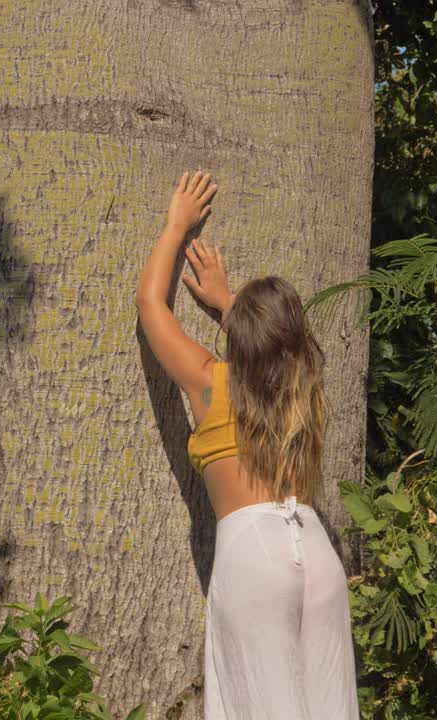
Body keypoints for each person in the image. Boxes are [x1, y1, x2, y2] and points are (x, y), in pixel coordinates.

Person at [134, 171, 359, 719]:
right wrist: (231, 304)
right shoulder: (305, 394)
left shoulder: (213, 383)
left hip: (255, 557)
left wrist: (177, 225)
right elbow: (285, 344)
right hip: (317, 553)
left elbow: (150, 305)